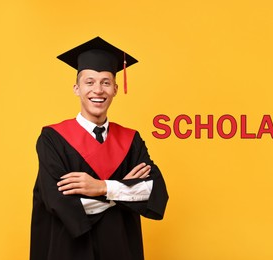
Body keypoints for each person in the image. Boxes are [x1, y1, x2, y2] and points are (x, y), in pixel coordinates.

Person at [30, 37, 169, 260]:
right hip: (69, 250)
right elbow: (59, 203)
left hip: (120, 248)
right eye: (90, 82)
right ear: (76, 88)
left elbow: (154, 191)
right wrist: (121, 191)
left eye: (105, 82)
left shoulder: (131, 140)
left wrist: (101, 187)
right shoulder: (52, 139)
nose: (98, 90)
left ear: (115, 89)